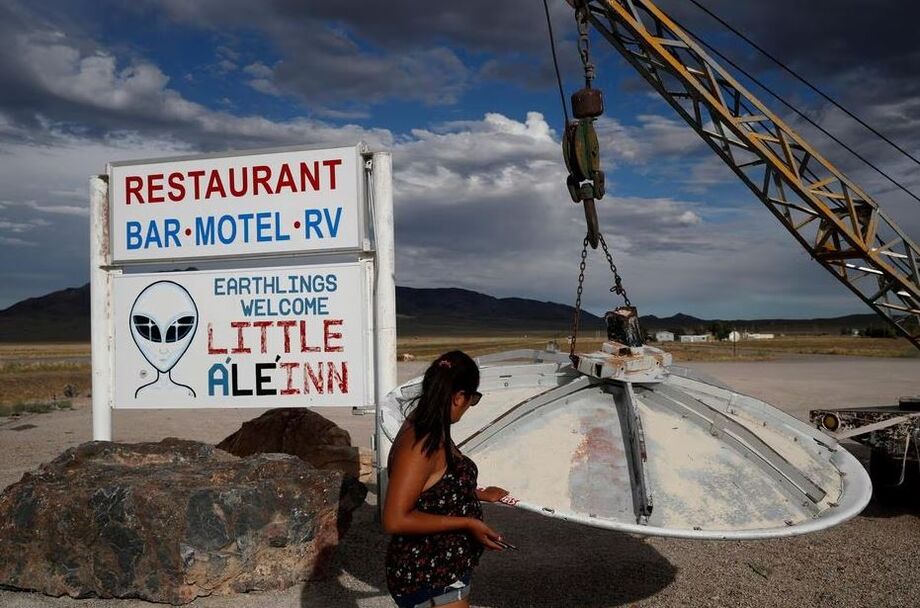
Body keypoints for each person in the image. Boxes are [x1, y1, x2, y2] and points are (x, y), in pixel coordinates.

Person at [383, 350, 510, 608]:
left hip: (442, 570)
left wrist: (476, 493)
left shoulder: (430, 423)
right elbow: (395, 519)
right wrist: (468, 524)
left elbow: (433, 486)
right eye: (472, 398)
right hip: (430, 576)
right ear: (458, 397)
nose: (469, 406)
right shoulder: (422, 442)